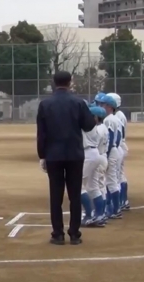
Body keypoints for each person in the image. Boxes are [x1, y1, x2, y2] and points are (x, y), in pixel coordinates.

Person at [37, 71, 96, 245]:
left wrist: (42, 155)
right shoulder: (78, 102)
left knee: (55, 195)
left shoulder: (45, 104)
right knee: (74, 195)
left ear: (54, 83)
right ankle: (75, 234)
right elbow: (89, 126)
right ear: (70, 82)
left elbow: (41, 133)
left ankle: (58, 234)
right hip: (74, 154)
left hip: (53, 154)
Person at [80, 105, 108, 228]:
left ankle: (89, 215)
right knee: (93, 186)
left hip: (89, 154)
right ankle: (99, 216)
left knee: (77, 186)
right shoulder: (100, 127)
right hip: (96, 154)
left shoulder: (94, 127)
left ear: (96, 117)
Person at [101, 95, 124, 220]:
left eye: (103, 105)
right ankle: (116, 208)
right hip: (116, 149)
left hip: (112, 150)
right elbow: (119, 136)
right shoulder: (115, 118)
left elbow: (109, 138)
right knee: (113, 180)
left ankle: (115, 210)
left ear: (109, 107)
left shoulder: (109, 120)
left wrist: (107, 153)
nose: (101, 107)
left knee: (111, 181)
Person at [107, 93, 130, 211]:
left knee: (117, 176)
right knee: (119, 175)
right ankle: (122, 201)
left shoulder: (118, 116)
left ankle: (121, 201)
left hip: (118, 145)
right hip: (120, 145)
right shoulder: (119, 115)